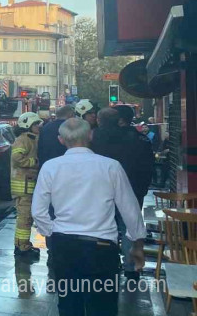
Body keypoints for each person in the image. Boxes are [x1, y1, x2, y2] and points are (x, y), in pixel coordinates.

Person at [32, 118, 146, 316]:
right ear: (91, 136)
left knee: (69, 306)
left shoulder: (50, 167)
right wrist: (137, 245)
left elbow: (38, 211)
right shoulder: (111, 167)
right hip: (101, 249)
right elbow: (130, 209)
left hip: (64, 247)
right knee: (103, 307)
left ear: (61, 140)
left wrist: (53, 232)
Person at [91, 108, 154, 281]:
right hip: (133, 191)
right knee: (130, 228)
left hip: (103, 192)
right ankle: (131, 267)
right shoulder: (140, 139)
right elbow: (148, 167)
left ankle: (105, 263)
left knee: (104, 227)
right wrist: (142, 189)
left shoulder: (95, 139)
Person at [11, 112, 42, 259]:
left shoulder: (32, 139)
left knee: (27, 218)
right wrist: (35, 163)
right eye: (36, 124)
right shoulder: (23, 139)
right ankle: (22, 247)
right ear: (27, 125)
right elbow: (17, 158)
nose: (38, 127)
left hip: (28, 185)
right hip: (23, 186)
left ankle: (23, 244)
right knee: (24, 218)